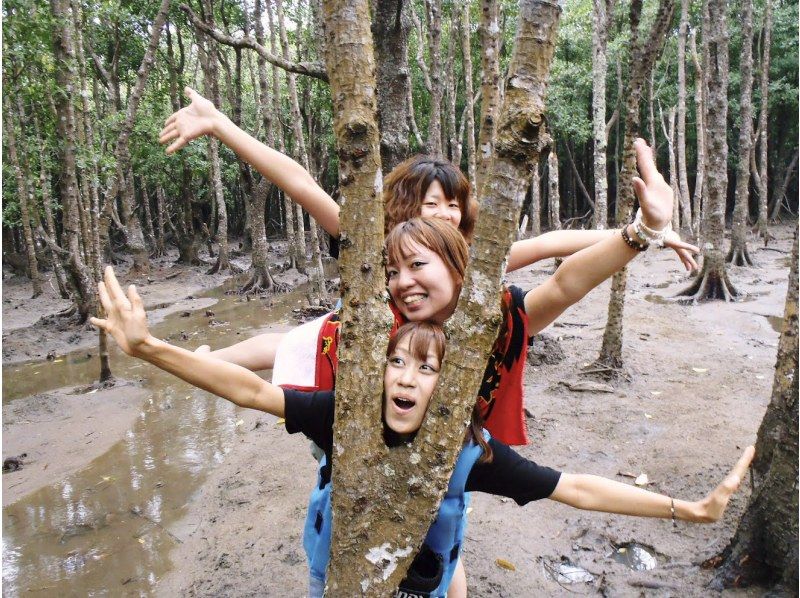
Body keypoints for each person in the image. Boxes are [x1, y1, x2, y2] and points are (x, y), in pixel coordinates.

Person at [90, 277, 754, 598]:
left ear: (450, 388)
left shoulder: (466, 453)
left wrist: (688, 509)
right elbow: (247, 389)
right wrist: (148, 347)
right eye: (396, 361)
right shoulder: (342, 419)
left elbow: (574, 488)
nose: (408, 376)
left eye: (427, 367)